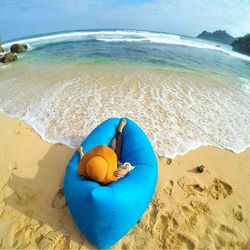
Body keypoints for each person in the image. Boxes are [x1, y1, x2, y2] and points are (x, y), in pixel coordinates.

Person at [77, 118, 134, 183]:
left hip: (105, 157)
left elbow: (83, 160)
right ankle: (119, 131)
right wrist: (125, 171)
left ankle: (116, 134)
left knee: (112, 145)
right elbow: (129, 165)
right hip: (116, 162)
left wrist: (81, 151)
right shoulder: (114, 174)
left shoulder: (89, 171)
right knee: (118, 146)